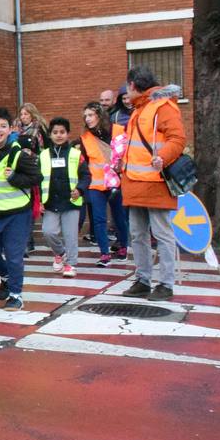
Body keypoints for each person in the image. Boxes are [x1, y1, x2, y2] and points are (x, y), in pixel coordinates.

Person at [121, 67, 186, 301]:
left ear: (133, 85)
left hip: (155, 181)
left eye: (127, 86)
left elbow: (177, 139)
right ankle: (143, 279)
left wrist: (163, 157)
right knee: (138, 234)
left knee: (161, 234)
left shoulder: (162, 107)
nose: (126, 91)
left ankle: (165, 284)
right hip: (137, 182)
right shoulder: (142, 108)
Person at [0, 108, 40, 311]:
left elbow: (37, 177)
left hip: (17, 213)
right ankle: (5, 276)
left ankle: (15, 295)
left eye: (3, 126)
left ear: (10, 129)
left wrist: (13, 178)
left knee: (14, 255)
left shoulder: (17, 152)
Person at [82, 102, 131, 267]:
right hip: (96, 184)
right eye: (86, 116)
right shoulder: (85, 138)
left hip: (117, 181)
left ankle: (123, 247)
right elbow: (85, 162)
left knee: (119, 217)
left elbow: (127, 153)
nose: (87, 119)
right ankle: (104, 253)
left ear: (99, 115)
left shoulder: (117, 130)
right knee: (99, 219)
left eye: (90, 115)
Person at [40, 117, 90, 278]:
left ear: (68, 134)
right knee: (48, 231)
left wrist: (80, 190)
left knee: (71, 235)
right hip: (50, 201)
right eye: (55, 132)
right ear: (50, 135)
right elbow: (38, 179)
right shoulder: (43, 155)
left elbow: (86, 176)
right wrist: (39, 200)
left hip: (71, 201)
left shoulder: (76, 154)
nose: (59, 135)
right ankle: (60, 253)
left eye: (62, 132)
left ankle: (71, 264)